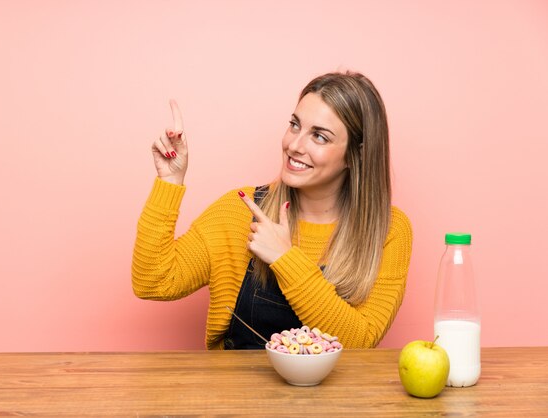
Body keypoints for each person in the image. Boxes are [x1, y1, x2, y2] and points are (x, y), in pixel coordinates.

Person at [132, 71, 413, 350]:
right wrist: (169, 182)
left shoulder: (387, 231)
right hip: (236, 393)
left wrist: (284, 258)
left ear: (358, 155)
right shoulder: (239, 210)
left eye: (319, 136)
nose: (294, 145)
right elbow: (153, 281)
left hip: (332, 396)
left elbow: (359, 342)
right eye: (294, 125)